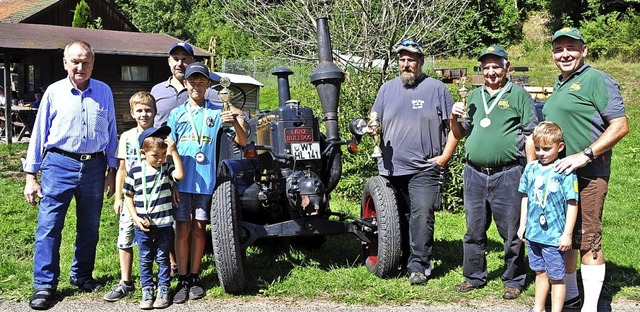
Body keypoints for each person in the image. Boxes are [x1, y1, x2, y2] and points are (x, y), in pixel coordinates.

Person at [23, 40, 118, 310]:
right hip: (58, 165)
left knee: (90, 228)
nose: (80, 66)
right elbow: (38, 134)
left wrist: (112, 171)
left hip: (95, 167)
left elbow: (111, 132)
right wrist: (31, 175)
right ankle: (44, 285)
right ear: (65, 63)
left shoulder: (104, 91)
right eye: (75, 61)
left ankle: (82, 276)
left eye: (85, 61)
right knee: (49, 226)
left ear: (92, 63)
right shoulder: (54, 92)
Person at [542, 27, 630, 311]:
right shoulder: (560, 83)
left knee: (588, 239)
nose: (565, 54)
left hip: (589, 174)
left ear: (584, 50)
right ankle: (570, 296)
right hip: (560, 175)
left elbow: (621, 125)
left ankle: (590, 306)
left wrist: (585, 155)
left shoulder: (596, 80)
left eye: (571, 48)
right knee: (565, 237)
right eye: (559, 49)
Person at [450, 44, 537, 299]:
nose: (491, 72)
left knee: (511, 231)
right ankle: (474, 276)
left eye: (496, 66)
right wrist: (454, 118)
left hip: (508, 174)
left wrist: (531, 170)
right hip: (474, 173)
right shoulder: (473, 97)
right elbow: (459, 134)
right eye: (486, 67)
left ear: (506, 67)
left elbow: (531, 133)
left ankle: (514, 279)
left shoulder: (519, 95)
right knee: (473, 230)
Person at [370, 39, 459, 286]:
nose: (406, 64)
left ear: (420, 62)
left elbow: (455, 128)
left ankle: (419, 266)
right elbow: (374, 121)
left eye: (411, 59)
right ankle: (401, 260)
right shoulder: (386, 89)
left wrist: (445, 157)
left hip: (424, 167)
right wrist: (370, 130)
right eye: (402, 60)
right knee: (398, 217)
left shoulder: (436, 89)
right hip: (391, 168)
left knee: (421, 215)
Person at [167, 62, 247, 303]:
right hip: (181, 182)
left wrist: (234, 121)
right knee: (181, 229)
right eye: (192, 81)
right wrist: (171, 181)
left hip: (206, 182)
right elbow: (169, 148)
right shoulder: (176, 114)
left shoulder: (216, 111)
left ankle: (194, 276)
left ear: (208, 85)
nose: (197, 86)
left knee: (200, 229)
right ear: (186, 83)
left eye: (201, 82)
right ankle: (182, 278)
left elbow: (242, 141)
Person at [517, 121, 579, 312]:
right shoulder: (531, 168)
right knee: (539, 271)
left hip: (554, 236)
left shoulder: (565, 170)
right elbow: (525, 197)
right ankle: (538, 308)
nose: (541, 153)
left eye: (546, 148)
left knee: (556, 277)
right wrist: (523, 224)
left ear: (560, 147)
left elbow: (572, 203)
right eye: (537, 148)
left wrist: (567, 234)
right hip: (534, 233)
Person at [123, 125, 184, 309]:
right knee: (145, 258)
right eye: (155, 156)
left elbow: (180, 174)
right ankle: (147, 290)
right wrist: (135, 218)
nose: (159, 160)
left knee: (163, 258)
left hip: (164, 224)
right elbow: (128, 196)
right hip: (143, 225)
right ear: (143, 153)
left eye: (162, 155)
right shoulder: (134, 172)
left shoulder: (166, 168)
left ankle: (164, 290)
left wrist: (173, 152)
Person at [103, 91, 156, 302]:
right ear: (132, 113)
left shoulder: (161, 136)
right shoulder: (126, 137)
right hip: (131, 198)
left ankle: (155, 279)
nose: (144, 114)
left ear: (154, 112)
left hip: (154, 196)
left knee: (157, 238)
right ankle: (126, 281)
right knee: (125, 238)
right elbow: (121, 169)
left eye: (148, 110)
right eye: (139, 110)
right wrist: (118, 197)